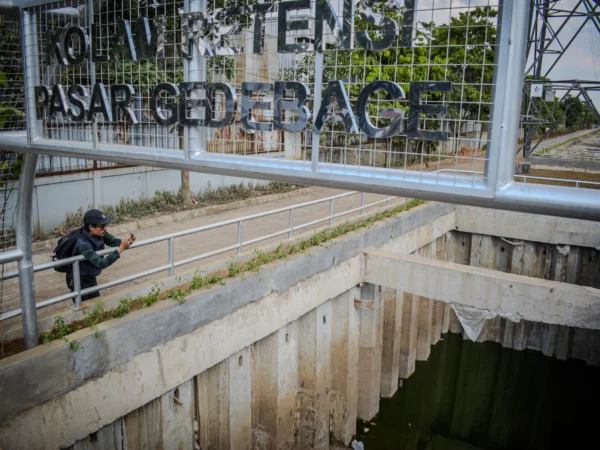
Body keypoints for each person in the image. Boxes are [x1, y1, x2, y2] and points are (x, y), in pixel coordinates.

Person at [66, 209, 136, 301]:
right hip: (78, 280)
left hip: (90, 275)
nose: (105, 228)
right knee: (82, 308)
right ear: (91, 227)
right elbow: (101, 263)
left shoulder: (100, 232)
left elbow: (114, 241)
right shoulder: (82, 244)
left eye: (106, 225)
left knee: (96, 304)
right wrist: (121, 249)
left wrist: (128, 241)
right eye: (102, 226)